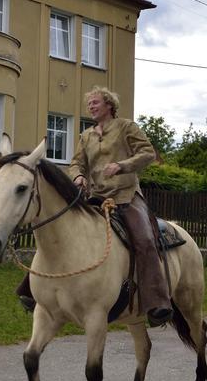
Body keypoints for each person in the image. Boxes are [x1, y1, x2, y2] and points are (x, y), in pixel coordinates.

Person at [16, 86, 172, 326]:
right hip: (96, 197)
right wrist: (78, 176)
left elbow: (148, 153)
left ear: (109, 105)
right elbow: (77, 162)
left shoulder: (126, 127)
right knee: (60, 233)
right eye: (89, 104)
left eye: (96, 102)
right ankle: (33, 292)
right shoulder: (86, 135)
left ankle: (157, 302)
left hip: (126, 196)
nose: (91, 106)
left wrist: (122, 165)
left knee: (144, 239)